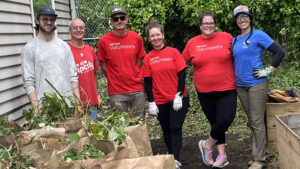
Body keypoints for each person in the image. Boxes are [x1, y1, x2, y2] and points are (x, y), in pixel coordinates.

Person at [232, 5, 285, 169]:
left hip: (257, 84)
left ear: (250, 18)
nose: (242, 19)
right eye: (239, 17)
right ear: (235, 20)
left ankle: (259, 159)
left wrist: (268, 70)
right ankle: (265, 152)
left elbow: (280, 52)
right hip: (241, 86)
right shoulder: (235, 40)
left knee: (256, 121)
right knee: (256, 121)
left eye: (245, 16)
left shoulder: (258, 35)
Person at [182, 11, 237, 168]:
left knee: (225, 119)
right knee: (215, 123)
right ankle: (222, 156)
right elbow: (181, 64)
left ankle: (207, 145)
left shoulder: (226, 38)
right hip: (205, 91)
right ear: (200, 26)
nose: (208, 26)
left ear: (215, 25)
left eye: (211, 23)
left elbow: (239, 53)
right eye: (205, 23)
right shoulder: (192, 43)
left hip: (227, 88)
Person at [140, 20, 189, 169]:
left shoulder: (173, 52)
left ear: (162, 35)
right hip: (160, 100)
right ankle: (171, 157)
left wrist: (178, 95)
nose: (155, 38)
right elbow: (148, 82)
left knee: (175, 127)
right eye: (152, 36)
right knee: (166, 129)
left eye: (157, 34)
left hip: (177, 99)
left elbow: (182, 75)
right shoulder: (148, 58)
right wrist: (151, 102)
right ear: (149, 39)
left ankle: (175, 159)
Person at [21, 6, 79, 110]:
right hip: (45, 108)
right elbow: (28, 81)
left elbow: (73, 76)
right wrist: (36, 107)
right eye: (45, 19)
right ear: (37, 21)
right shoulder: (29, 48)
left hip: (68, 105)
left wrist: (78, 103)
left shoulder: (64, 46)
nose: (49, 22)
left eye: (52, 19)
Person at [98, 6, 146, 119]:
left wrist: (132, 73)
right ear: (111, 21)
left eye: (122, 18)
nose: (119, 21)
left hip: (137, 89)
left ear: (126, 19)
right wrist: (113, 76)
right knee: (121, 127)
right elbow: (102, 63)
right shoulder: (104, 41)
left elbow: (139, 60)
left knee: (140, 124)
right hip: (117, 91)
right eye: (115, 19)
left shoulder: (136, 38)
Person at [68, 18, 99, 120]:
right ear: (70, 31)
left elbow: (94, 75)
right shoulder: (65, 50)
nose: (78, 30)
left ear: (84, 30)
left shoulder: (90, 50)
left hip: (92, 101)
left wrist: (97, 95)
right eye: (75, 28)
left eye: (81, 28)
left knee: (93, 132)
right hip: (75, 103)